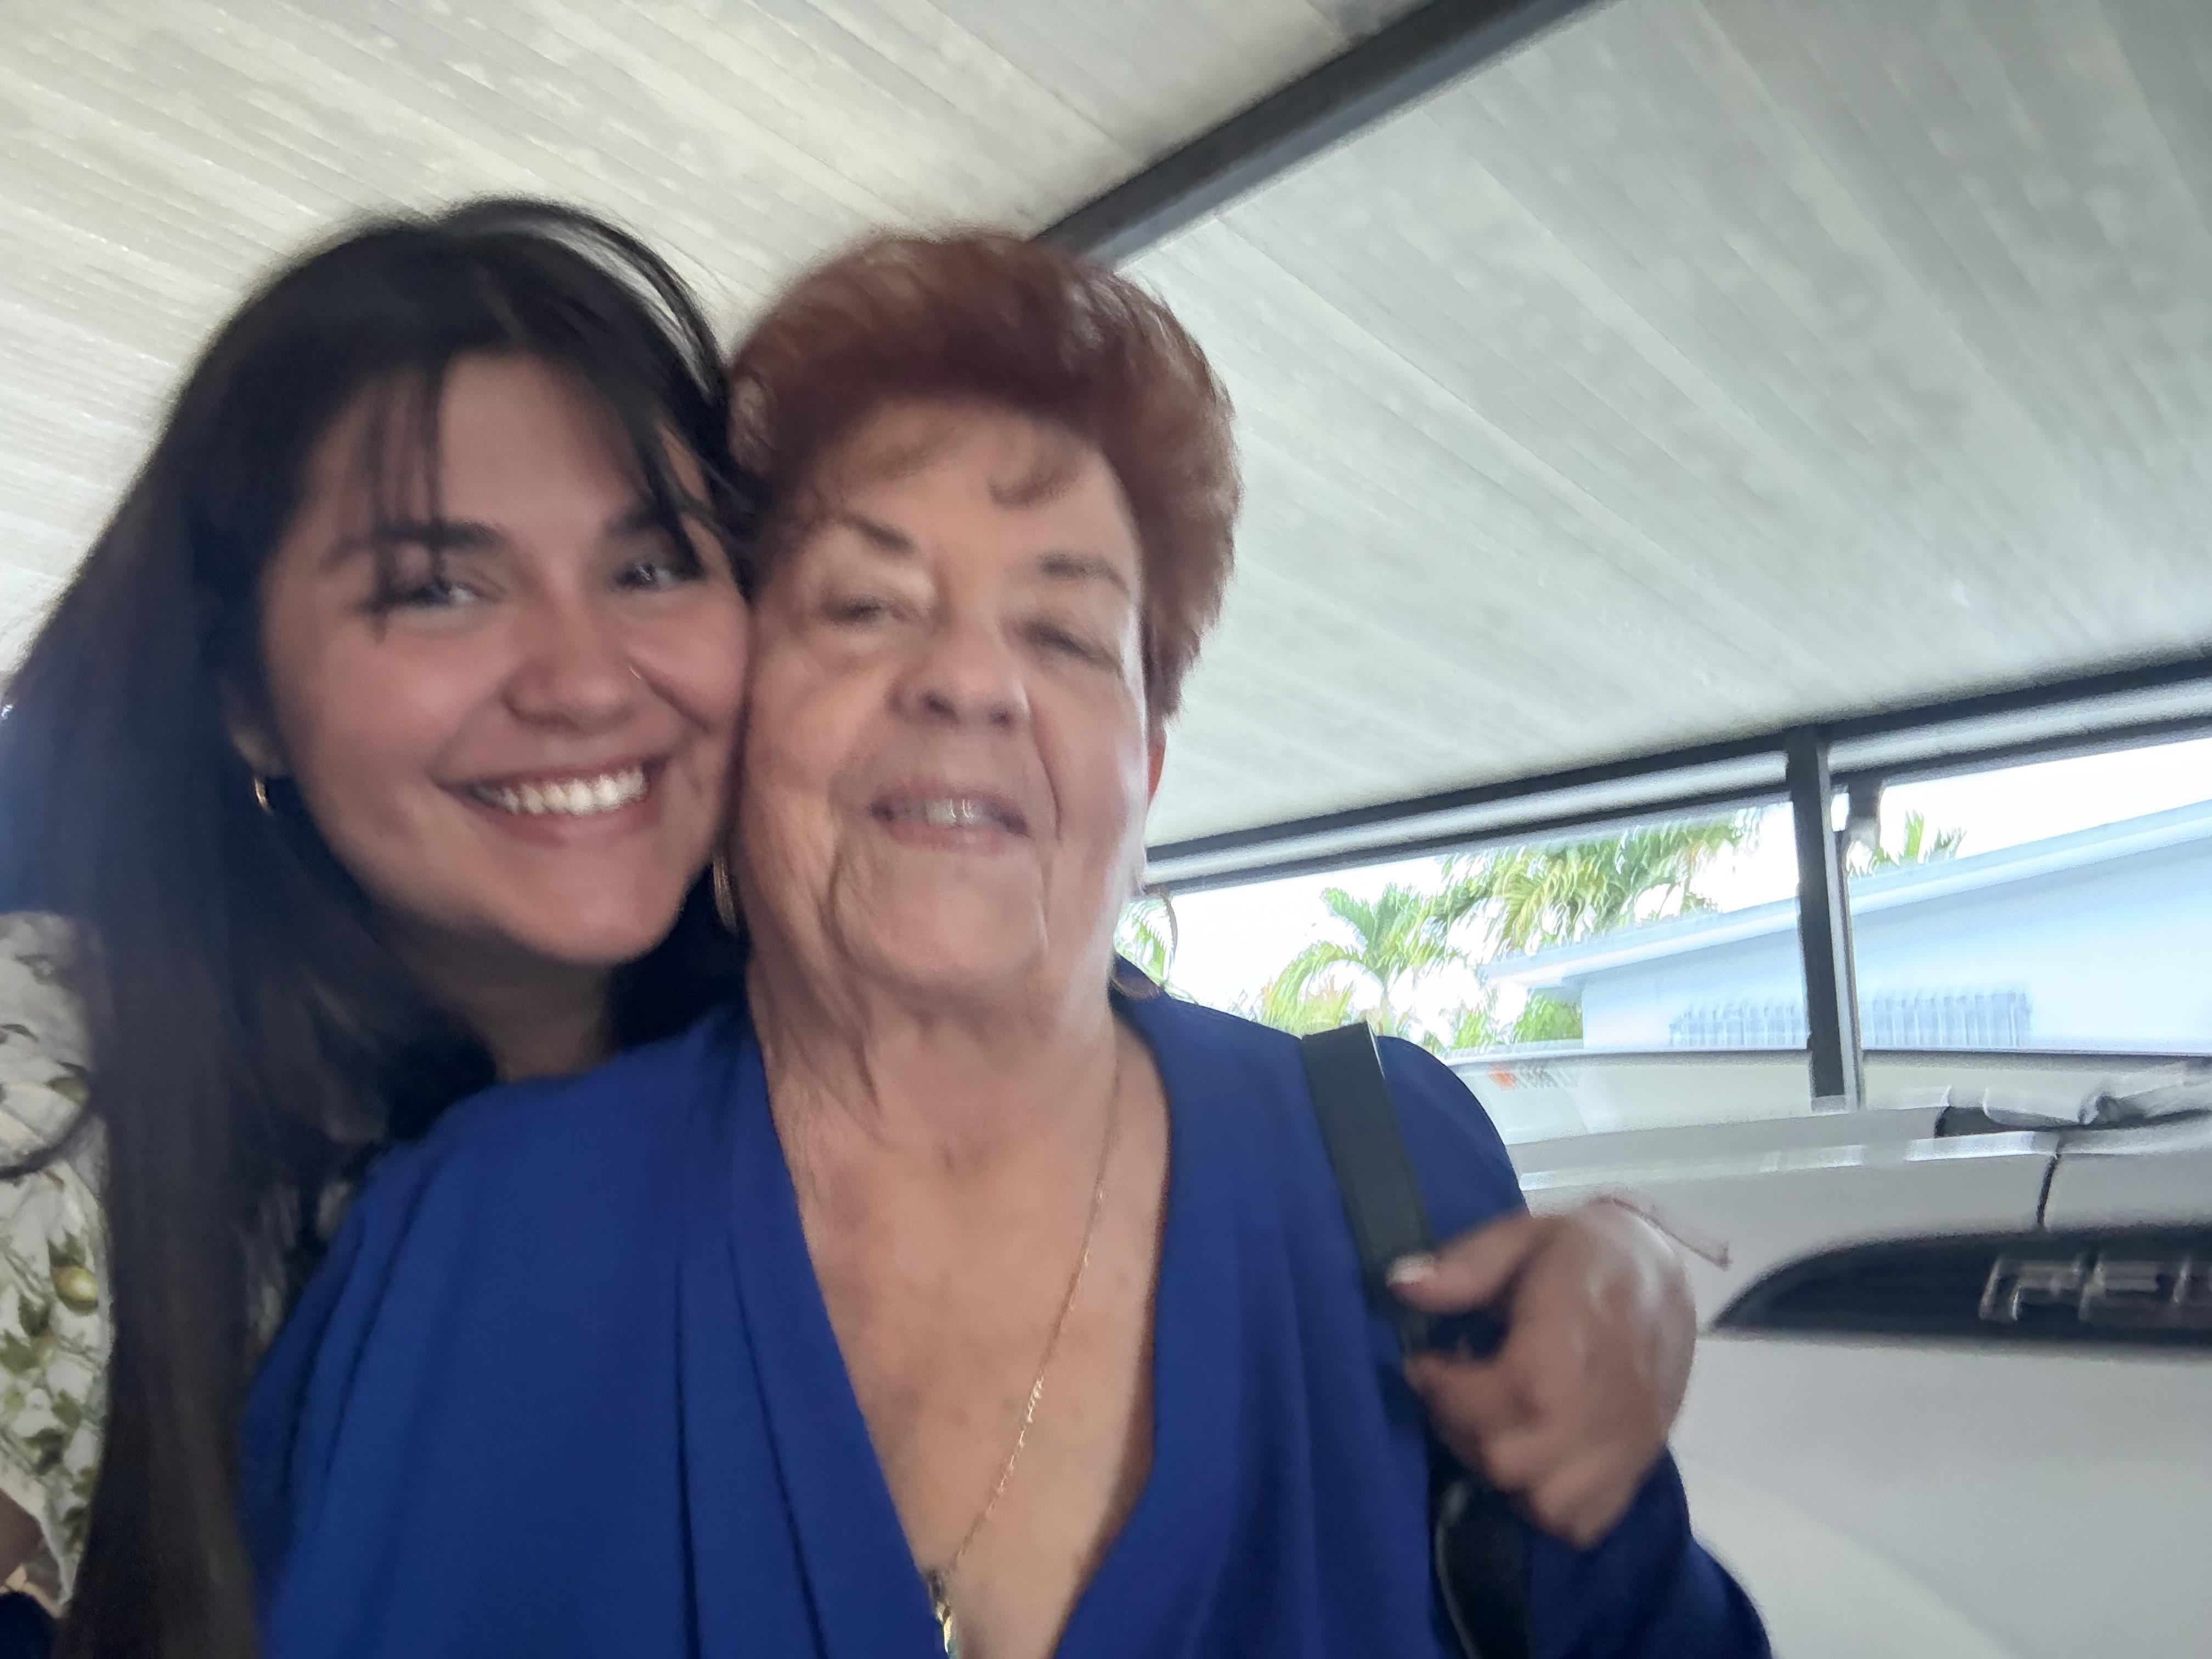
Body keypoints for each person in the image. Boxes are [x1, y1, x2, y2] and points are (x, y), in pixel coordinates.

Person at [0, 204, 1695, 1656]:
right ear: (756, 726)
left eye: (1066, 632)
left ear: (1149, 762)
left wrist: (1636, 1258)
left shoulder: (1384, 1170)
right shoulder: (431, 1230)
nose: (966, 679)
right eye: (867, 604)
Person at [0, 199, 753, 1655]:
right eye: (438, 589)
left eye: (652, 565)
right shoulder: (57, 1089)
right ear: (250, 703)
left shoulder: (815, 1086)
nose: (585, 682)